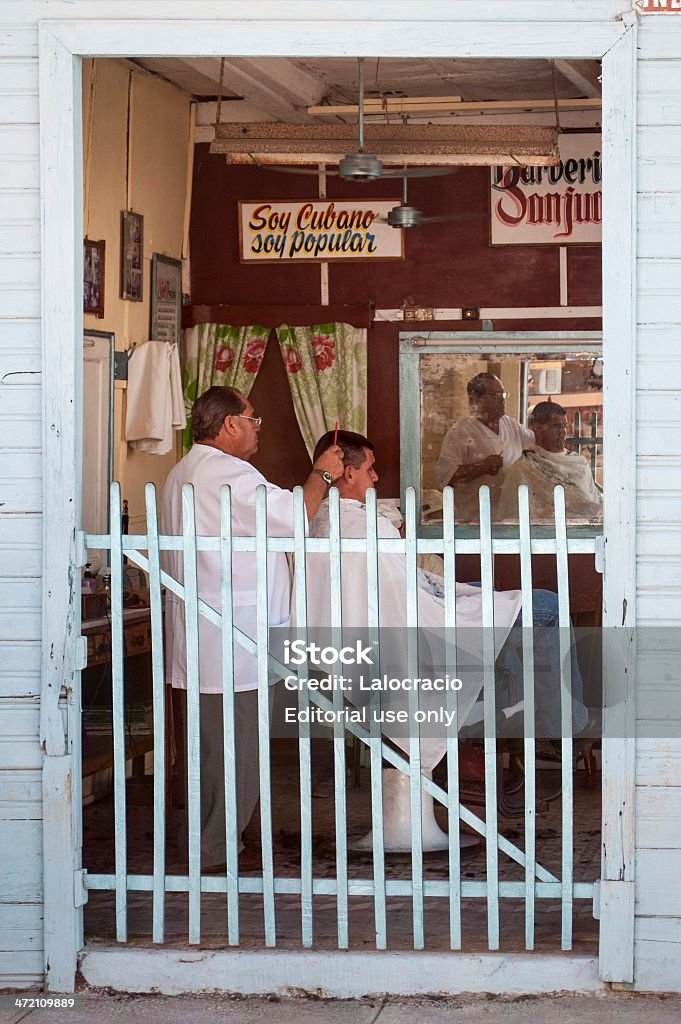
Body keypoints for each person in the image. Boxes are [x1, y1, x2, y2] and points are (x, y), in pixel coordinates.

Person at [306, 430, 589, 761]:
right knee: (549, 608)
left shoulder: (317, 518)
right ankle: (566, 730)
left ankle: (519, 728)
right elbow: (404, 598)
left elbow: (393, 588)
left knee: (499, 606)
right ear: (349, 473)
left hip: (365, 639)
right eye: (370, 469)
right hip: (417, 632)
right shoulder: (366, 525)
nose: (377, 476)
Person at [161, 386, 343, 872]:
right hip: (233, 639)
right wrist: (323, 473)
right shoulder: (228, 474)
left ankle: (211, 841)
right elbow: (292, 518)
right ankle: (214, 852)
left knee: (208, 753)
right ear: (229, 426)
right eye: (252, 418)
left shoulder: (183, 473)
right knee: (236, 754)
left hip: (204, 636)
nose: (258, 426)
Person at [435, 372, 534, 521]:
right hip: (474, 520)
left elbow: (537, 444)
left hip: (510, 518)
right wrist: (482, 466)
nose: (502, 400)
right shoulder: (460, 432)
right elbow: (446, 478)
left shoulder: (511, 425)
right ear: (476, 400)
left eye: (503, 394)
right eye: (495, 395)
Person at [497, 400, 602, 523]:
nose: (562, 432)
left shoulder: (579, 463)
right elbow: (511, 518)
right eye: (556, 426)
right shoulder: (524, 468)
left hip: (581, 536)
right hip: (540, 538)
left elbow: (594, 505)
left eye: (564, 426)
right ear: (537, 428)